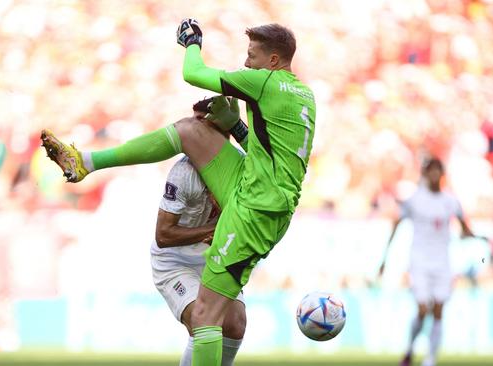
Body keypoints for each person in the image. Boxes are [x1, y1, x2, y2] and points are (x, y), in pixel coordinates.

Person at [41, 19, 315, 366]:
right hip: (257, 189)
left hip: (255, 210)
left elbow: (194, 73)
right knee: (189, 131)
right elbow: (268, 153)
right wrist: (236, 126)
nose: (247, 64)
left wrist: (192, 44)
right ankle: (85, 162)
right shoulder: (303, 95)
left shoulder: (265, 81)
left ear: (274, 61)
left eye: (252, 56)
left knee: (206, 318)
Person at [151, 98, 246, 366]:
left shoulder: (240, 167)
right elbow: (164, 235)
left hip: (213, 259)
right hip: (175, 262)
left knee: (236, 324)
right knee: (202, 323)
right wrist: (213, 230)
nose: (192, 130)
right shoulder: (183, 173)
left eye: (199, 123)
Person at [378, 158, 476, 366]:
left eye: (437, 171)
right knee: (423, 310)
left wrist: (472, 236)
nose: (434, 175)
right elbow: (396, 225)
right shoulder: (414, 200)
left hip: (443, 262)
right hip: (420, 261)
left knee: (439, 309)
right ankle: (411, 348)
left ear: (442, 174)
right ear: (424, 174)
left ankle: (430, 358)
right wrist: (384, 259)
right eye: (430, 171)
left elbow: (464, 226)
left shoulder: (450, 201)